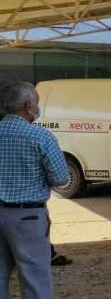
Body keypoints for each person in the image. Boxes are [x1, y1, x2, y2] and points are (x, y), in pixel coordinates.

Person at [0, 81, 69, 299]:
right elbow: (60, 178)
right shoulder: (40, 136)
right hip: (27, 217)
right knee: (34, 278)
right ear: (29, 105)